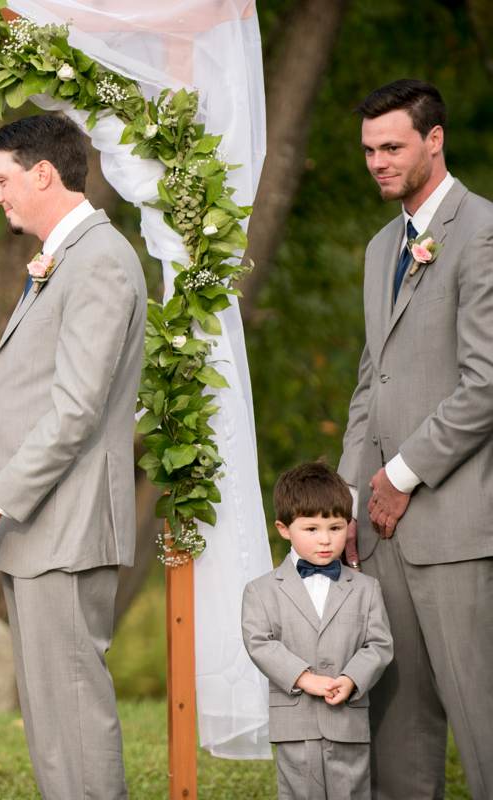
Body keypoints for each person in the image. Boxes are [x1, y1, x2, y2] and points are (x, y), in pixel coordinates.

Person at [0, 114, 147, 799]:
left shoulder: (102, 261)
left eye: (2, 180)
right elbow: (28, 400)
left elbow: (76, 410)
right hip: (40, 524)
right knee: (52, 724)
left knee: (73, 718)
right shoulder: (67, 258)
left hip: (66, 526)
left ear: (43, 173)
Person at [338, 79, 493, 799]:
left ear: (435, 140)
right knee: (396, 726)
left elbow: (485, 382)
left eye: (392, 146)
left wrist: (400, 475)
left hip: (458, 526)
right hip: (378, 531)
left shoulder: (483, 230)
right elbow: (373, 383)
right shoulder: (379, 249)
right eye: (369, 149)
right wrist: (345, 499)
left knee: (482, 718)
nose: (378, 161)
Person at [241, 462, 393, 800]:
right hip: (295, 722)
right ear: (284, 528)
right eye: (311, 529)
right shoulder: (261, 590)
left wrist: (352, 678)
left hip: (348, 721)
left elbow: (379, 644)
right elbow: (259, 643)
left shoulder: (367, 588)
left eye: (336, 527)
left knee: (351, 792)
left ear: (348, 527)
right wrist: (303, 677)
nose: (325, 540)